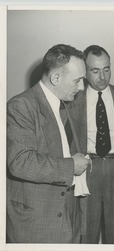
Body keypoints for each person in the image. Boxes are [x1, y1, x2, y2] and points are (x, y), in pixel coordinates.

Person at [7, 44, 90, 243]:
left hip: (67, 215)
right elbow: (20, 162)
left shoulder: (63, 104)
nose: (82, 87)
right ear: (55, 78)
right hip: (37, 220)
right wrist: (72, 166)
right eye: (77, 81)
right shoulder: (21, 106)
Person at [68, 45, 114, 244]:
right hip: (88, 168)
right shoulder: (72, 100)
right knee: (86, 230)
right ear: (85, 72)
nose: (102, 76)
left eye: (106, 69)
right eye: (95, 71)